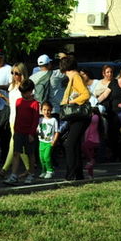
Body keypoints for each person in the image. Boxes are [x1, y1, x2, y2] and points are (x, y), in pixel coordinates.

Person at [57, 53, 92, 181]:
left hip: (79, 116)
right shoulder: (75, 76)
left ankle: (70, 175)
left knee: (69, 144)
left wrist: (70, 102)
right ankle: (78, 175)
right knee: (75, 144)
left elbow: (85, 94)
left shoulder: (75, 77)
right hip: (77, 117)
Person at [3, 77, 39, 186]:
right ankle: (14, 175)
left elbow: (35, 120)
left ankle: (31, 174)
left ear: (31, 91)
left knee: (30, 154)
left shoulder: (35, 104)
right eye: (22, 92)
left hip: (29, 133)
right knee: (15, 153)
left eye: (25, 92)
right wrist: (15, 130)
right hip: (18, 131)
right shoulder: (18, 102)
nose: (23, 95)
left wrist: (31, 133)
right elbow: (17, 116)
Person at [36, 102, 59, 181]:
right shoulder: (40, 119)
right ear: (41, 110)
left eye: (48, 110)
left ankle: (50, 170)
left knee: (47, 157)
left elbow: (56, 132)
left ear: (51, 110)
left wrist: (54, 141)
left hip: (49, 142)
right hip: (41, 141)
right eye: (44, 110)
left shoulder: (53, 120)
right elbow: (37, 129)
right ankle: (44, 171)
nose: (46, 112)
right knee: (41, 158)